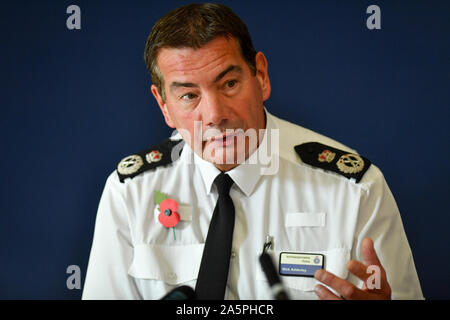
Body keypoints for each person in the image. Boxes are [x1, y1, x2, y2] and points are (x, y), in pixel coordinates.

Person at [82, 3, 423, 300]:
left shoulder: (355, 189)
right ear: (163, 105)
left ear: (260, 75)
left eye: (229, 84)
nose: (215, 115)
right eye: (189, 96)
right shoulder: (130, 193)